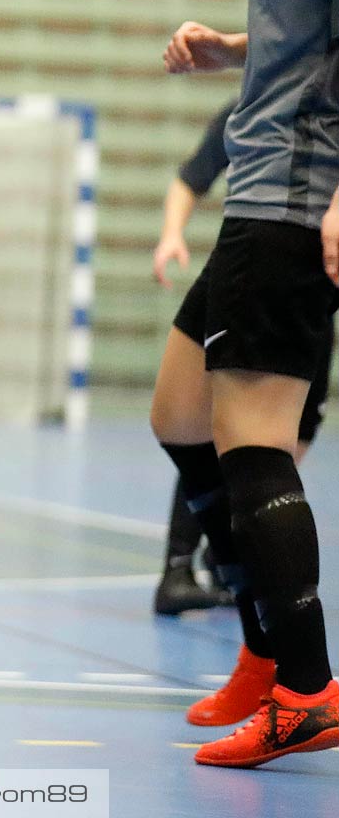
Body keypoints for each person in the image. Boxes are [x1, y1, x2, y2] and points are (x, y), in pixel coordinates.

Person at [155, 0, 339, 769]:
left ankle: (309, 686)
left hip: (295, 199)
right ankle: (265, 654)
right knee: (180, 415)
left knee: (255, 444)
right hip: (255, 187)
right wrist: (234, 46)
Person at [150, 100, 328, 615]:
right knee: (215, 433)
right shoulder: (252, 110)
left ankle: (230, 559)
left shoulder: (322, 113)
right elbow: (193, 175)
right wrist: (170, 234)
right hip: (256, 275)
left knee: (284, 444)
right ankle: (182, 565)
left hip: (310, 293)